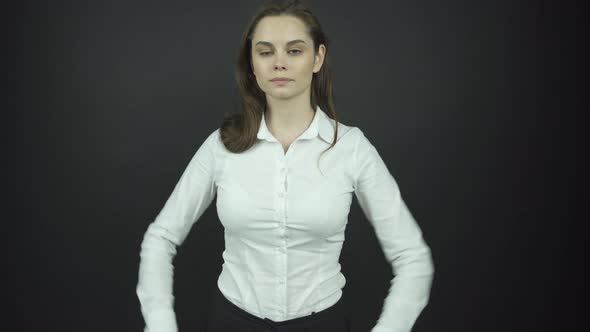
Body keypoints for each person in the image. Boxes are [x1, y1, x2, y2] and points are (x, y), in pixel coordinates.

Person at [136, 0, 435, 331]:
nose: (279, 63)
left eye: (294, 51)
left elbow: (413, 257)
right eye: (265, 52)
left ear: (317, 58)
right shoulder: (223, 144)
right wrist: (160, 324)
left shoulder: (351, 148)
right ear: (252, 63)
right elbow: (160, 237)